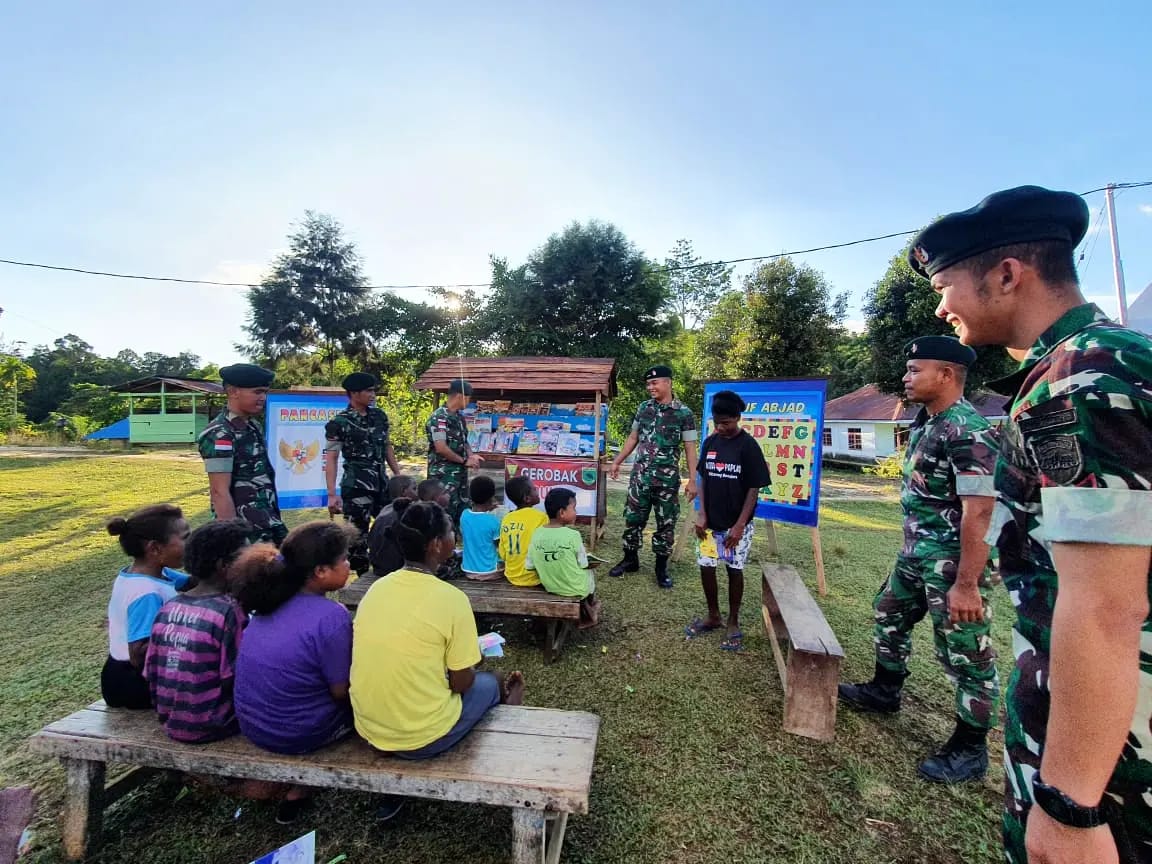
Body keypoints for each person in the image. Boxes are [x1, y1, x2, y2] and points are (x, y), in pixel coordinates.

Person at [911, 185, 1152, 862]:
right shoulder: (1106, 358)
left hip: (1111, 757)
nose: (941, 306)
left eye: (947, 284)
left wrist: (1071, 805)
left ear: (1007, 275)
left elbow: (1106, 604)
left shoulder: (1078, 377)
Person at [837, 336, 1001, 783]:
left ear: (947, 375)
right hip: (916, 554)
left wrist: (966, 583)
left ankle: (970, 747)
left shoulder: (968, 429)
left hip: (952, 563)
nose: (906, 378)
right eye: (908, 370)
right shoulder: (927, 423)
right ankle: (885, 689)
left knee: (966, 652)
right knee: (887, 611)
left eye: (916, 371)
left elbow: (981, 511)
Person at [351, 499, 525, 762]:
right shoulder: (451, 599)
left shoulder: (376, 589)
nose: (454, 536)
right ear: (436, 545)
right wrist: (473, 661)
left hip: (369, 729)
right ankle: (507, 709)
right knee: (491, 681)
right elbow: (461, 683)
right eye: (450, 532)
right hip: (422, 738)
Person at [231, 522, 355, 823]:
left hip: (255, 726)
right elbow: (341, 692)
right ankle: (301, 788)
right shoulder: (331, 617)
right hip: (300, 733)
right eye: (344, 559)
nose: (350, 564)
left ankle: (297, 790)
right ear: (321, 571)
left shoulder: (267, 604)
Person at [145, 519, 250, 743]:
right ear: (224, 566)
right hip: (215, 724)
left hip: (171, 721)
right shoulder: (229, 612)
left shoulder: (169, 607)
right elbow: (238, 678)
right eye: (246, 559)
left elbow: (151, 672)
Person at [684, 390, 771, 653]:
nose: (721, 428)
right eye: (717, 422)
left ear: (737, 418)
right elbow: (704, 479)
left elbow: (753, 489)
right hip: (710, 524)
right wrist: (702, 514)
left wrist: (740, 525)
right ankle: (713, 616)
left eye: (726, 423)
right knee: (706, 567)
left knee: (734, 569)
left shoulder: (748, 446)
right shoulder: (711, 443)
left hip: (737, 525)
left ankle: (733, 621)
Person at [608, 364, 699, 588]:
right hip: (640, 477)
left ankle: (661, 567)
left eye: (654, 382)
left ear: (668, 382)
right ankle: (630, 560)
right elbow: (633, 437)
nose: (650, 387)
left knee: (666, 523)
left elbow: (690, 448)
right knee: (633, 519)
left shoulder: (684, 413)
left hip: (666, 481)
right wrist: (617, 461)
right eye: (648, 383)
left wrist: (694, 481)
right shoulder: (643, 409)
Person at [102, 505, 190, 709]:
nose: (191, 543)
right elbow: (138, 654)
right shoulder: (147, 592)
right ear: (155, 548)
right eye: (186, 538)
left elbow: (192, 583)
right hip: (133, 683)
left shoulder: (148, 573)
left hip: (116, 673)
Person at [197, 363, 286, 546]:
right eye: (257, 392)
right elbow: (219, 491)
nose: (263, 397)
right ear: (234, 391)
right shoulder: (220, 433)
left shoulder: (252, 426)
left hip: (268, 522)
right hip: (245, 530)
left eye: (265, 392)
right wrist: (234, 540)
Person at [325, 372, 402, 574]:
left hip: (381, 484)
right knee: (357, 536)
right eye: (368, 390)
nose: (373, 394)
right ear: (354, 393)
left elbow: (386, 447)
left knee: (394, 526)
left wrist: (398, 474)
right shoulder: (339, 422)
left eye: (373, 390)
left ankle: (391, 568)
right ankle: (361, 579)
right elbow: (331, 457)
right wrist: (332, 494)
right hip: (356, 487)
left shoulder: (379, 416)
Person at [526, 488, 601, 627]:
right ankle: (588, 609)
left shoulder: (537, 533)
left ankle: (586, 609)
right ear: (562, 512)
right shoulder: (573, 535)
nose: (576, 512)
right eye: (574, 508)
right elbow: (583, 563)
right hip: (577, 589)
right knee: (589, 572)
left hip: (550, 586)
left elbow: (529, 566)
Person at [425, 378, 483, 524]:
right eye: (468, 398)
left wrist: (471, 455)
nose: (469, 402)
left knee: (462, 510)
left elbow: (464, 441)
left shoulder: (459, 417)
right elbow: (441, 448)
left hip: (460, 475)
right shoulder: (439, 417)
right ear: (459, 396)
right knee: (444, 513)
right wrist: (464, 460)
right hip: (443, 476)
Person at [366, 475, 418, 578]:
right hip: (396, 568)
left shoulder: (385, 509)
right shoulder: (408, 511)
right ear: (404, 491)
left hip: (379, 566)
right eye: (414, 488)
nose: (417, 492)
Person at [500, 475, 547, 588]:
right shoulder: (541, 517)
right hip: (534, 578)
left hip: (511, 576)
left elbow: (503, 554)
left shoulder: (507, 518)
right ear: (527, 498)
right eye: (534, 489)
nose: (537, 491)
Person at [460, 475, 504, 580]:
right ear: (491, 498)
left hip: (468, 571)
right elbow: (499, 545)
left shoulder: (464, 515)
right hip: (490, 571)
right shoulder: (493, 520)